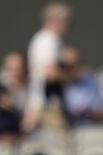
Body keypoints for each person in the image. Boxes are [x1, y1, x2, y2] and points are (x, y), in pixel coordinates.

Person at [24, 2, 72, 131]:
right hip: (45, 107)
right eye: (66, 21)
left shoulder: (51, 40)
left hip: (44, 105)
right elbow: (50, 74)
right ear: (54, 21)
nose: (69, 25)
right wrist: (72, 77)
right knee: (58, 147)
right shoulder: (48, 40)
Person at [61, 47, 103, 126]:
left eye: (74, 64)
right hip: (65, 129)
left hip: (89, 128)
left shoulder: (91, 82)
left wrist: (86, 114)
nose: (70, 69)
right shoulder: (55, 86)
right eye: (66, 66)